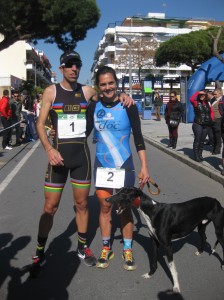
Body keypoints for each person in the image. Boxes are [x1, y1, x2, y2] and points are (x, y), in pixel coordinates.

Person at [29, 51, 134, 277]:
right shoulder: (51, 91)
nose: (74, 69)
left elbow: (108, 94)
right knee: (50, 208)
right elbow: (39, 124)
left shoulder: (87, 92)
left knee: (82, 205)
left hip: (81, 159)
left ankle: (82, 247)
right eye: (69, 65)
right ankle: (39, 251)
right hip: (57, 158)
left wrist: (124, 94)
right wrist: (49, 149)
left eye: (77, 65)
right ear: (62, 68)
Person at [86, 66, 150, 271]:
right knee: (105, 207)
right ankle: (107, 247)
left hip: (124, 164)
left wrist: (144, 166)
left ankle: (127, 248)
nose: (108, 87)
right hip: (103, 165)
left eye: (111, 83)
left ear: (116, 82)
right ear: (98, 86)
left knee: (124, 208)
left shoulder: (128, 105)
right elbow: (83, 133)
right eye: (103, 84)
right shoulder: (93, 106)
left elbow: (138, 138)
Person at [190, 90, 214, 162]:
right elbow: (191, 99)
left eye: (203, 95)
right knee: (198, 139)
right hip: (198, 123)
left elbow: (212, 112)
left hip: (206, 124)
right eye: (200, 95)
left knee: (202, 140)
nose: (201, 96)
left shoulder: (208, 103)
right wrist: (198, 92)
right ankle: (196, 155)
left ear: (205, 96)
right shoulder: (196, 102)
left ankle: (200, 154)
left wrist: (212, 120)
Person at [210, 88, 224, 155]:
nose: (214, 95)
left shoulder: (222, 100)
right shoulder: (213, 100)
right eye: (214, 94)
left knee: (217, 135)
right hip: (213, 120)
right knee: (213, 135)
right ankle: (215, 147)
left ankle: (217, 149)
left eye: (215, 94)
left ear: (220, 93)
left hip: (218, 119)